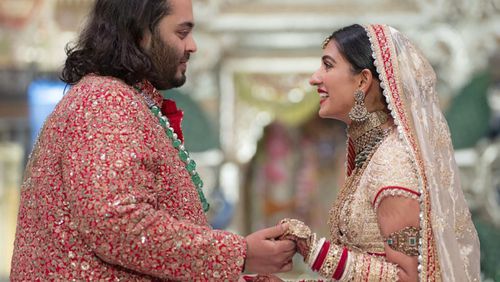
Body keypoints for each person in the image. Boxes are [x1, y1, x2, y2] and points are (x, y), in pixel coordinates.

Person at [10, 0, 296, 280]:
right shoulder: (105, 101)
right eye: (182, 33)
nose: (192, 46)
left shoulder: (126, 101)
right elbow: (116, 224)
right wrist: (240, 254)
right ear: (141, 34)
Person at [262, 24, 481, 281]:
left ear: (363, 81)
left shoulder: (393, 163)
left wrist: (315, 250)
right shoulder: (373, 155)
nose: (314, 78)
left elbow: (409, 277)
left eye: (328, 65)